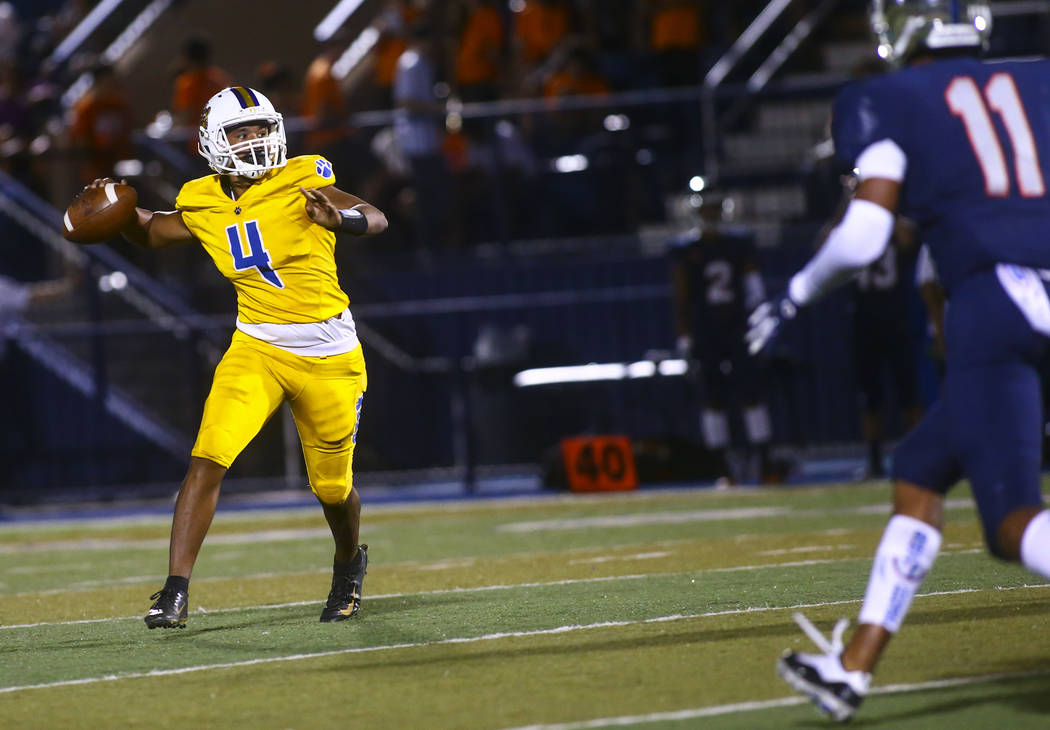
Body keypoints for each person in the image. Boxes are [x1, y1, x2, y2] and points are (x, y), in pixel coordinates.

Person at [745, 2, 1050, 721]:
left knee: (1011, 523)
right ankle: (852, 671)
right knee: (919, 468)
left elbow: (863, 236)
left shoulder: (888, 97)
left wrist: (794, 294)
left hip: (997, 300)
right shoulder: (1036, 81)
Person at [80, 85, 388, 628]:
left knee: (333, 489)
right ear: (212, 143)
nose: (257, 140)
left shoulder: (303, 177)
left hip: (329, 352)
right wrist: (120, 213)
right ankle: (174, 590)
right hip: (257, 346)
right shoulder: (201, 197)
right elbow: (154, 230)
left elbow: (375, 216)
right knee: (208, 457)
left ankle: (348, 564)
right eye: (242, 133)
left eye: (262, 128)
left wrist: (345, 222)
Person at [670, 192, 772, 483]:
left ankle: (762, 461)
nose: (711, 214)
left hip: (737, 327)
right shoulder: (686, 249)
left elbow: (754, 286)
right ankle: (722, 467)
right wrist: (685, 335)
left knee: (752, 394)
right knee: (712, 399)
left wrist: (759, 318)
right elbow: (681, 296)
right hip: (706, 331)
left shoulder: (738, 245)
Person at [850, 219, 922, 478]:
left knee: (908, 394)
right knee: (869, 397)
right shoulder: (852, 224)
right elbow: (822, 245)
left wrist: (881, 207)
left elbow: (908, 240)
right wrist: (849, 208)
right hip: (864, 321)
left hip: (894, 319)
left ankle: (918, 457)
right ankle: (874, 460)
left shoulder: (891, 223)